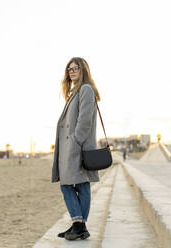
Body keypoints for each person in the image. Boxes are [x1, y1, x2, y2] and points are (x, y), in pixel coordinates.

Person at [51, 57, 100, 241]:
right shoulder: (74, 91)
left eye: (75, 68)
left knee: (77, 183)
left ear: (83, 70)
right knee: (70, 183)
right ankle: (79, 225)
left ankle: (78, 224)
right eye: (69, 69)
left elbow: (85, 120)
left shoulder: (85, 89)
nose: (71, 72)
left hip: (77, 147)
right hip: (71, 147)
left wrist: (75, 140)